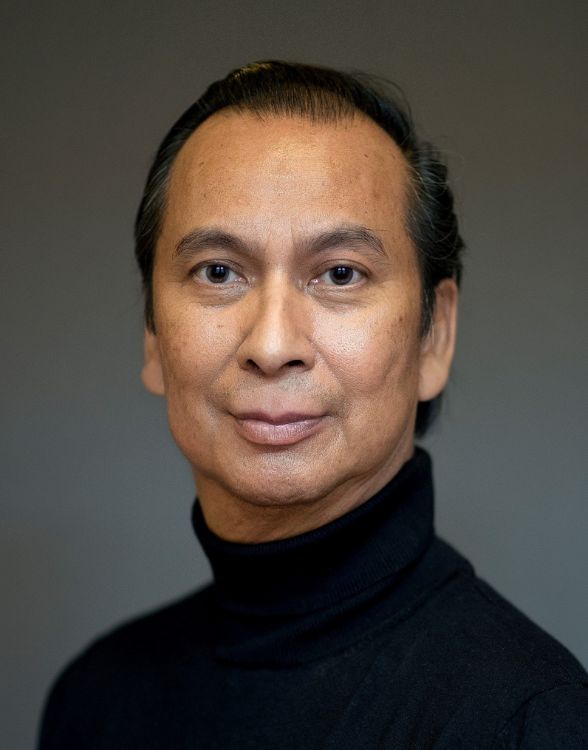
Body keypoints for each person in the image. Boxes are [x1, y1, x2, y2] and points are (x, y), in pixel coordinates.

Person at [38, 60, 587, 749]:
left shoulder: (530, 721)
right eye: (218, 271)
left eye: (340, 273)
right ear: (152, 335)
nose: (272, 346)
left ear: (434, 335)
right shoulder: (98, 700)